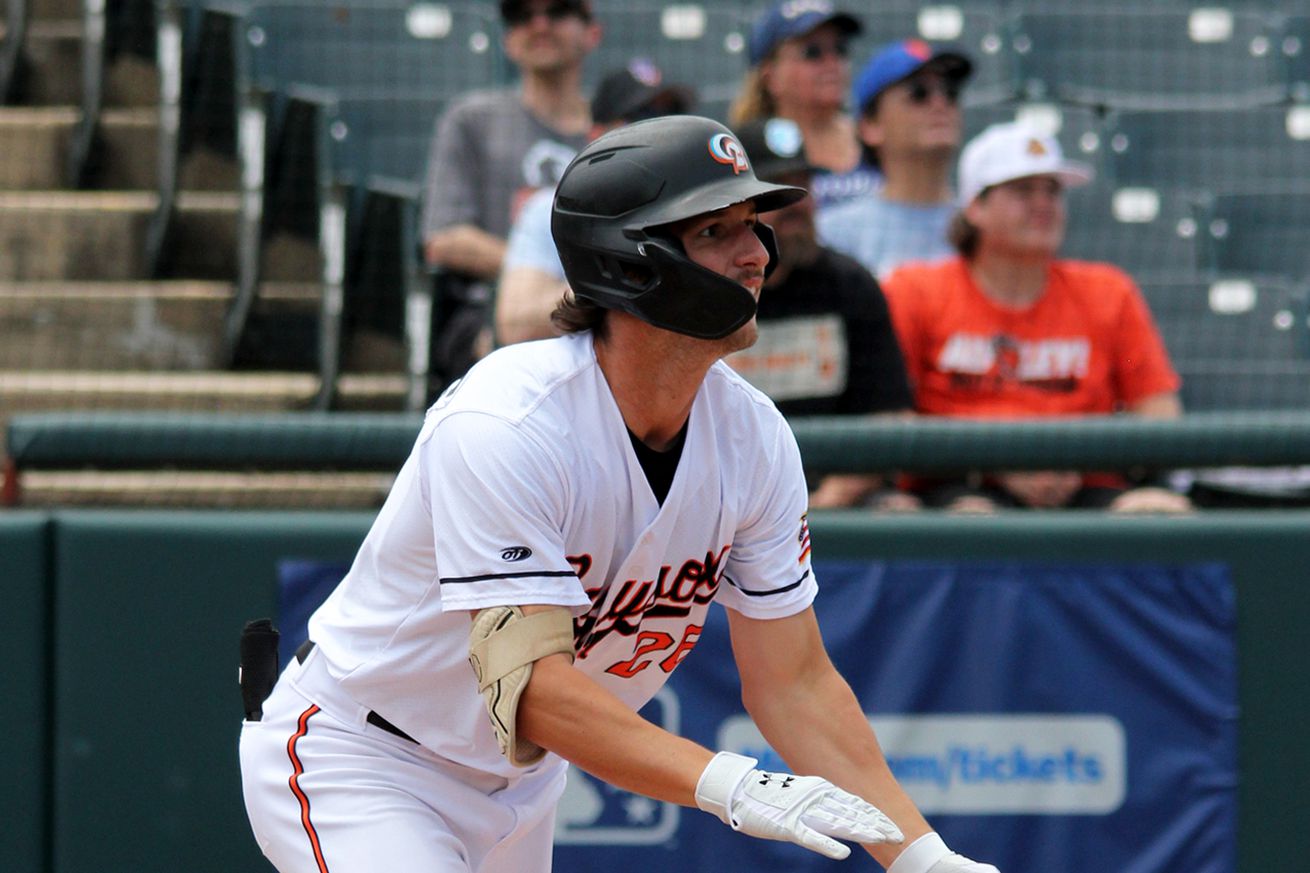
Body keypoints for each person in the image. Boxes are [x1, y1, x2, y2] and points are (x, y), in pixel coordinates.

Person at [239, 115, 1001, 873]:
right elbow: (531, 690)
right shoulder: (507, 419)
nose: (755, 252)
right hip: (364, 754)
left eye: (753, 225)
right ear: (629, 264)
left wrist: (924, 859)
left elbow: (796, 682)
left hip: (523, 782)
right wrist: (728, 782)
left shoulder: (755, 437)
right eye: (715, 231)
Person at [883, 121, 1192, 513]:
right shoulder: (915, 291)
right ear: (975, 207)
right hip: (959, 483)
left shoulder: (1109, 293)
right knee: (969, 519)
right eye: (1022, 190)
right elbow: (892, 418)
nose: (1043, 203)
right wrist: (1000, 462)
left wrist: (1073, 460)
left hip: (1085, 482)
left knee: (1160, 511)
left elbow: (1158, 412)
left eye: (1052, 190)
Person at [729, 116, 918, 510]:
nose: (798, 203)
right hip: (729, 494)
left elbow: (890, 416)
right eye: (778, 192)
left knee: (900, 513)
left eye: (804, 186)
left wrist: (833, 496)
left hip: (839, 492)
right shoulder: (708, 290)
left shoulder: (850, 285)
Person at [419, 0, 601, 376]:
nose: (539, 25)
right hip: (491, 309)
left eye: (558, 12)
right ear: (506, 39)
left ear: (592, 32)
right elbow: (444, 239)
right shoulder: (472, 120)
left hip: (601, 311)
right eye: (521, 16)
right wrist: (545, 280)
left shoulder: (614, 131)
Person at [495, 58, 694, 345]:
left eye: (669, 116)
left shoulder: (702, 208)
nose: (658, 129)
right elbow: (516, 324)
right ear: (597, 136)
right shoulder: (553, 207)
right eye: (642, 116)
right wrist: (627, 278)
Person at [818, 39, 973, 281]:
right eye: (919, 94)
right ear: (871, 125)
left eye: (951, 93)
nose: (940, 103)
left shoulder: (989, 228)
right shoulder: (833, 234)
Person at [730, 0, 876, 212]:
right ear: (770, 77)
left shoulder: (874, 140)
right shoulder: (745, 158)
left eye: (840, 49)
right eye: (813, 52)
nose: (832, 62)